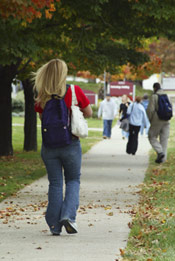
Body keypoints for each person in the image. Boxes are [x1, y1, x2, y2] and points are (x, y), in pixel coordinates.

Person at [33, 58, 92, 235]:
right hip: (71, 144)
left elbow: (42, 118)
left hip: (49, 146)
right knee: (73, 180)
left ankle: (54, 225)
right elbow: (89, 112)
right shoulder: (74, 90)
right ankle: (68, 216)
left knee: (55, 183)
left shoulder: (41, 94)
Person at [147, 82, 170, 163]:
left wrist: (150, 120)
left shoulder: (154, 96)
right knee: (164, 139)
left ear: (154, 88)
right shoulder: (166, 95)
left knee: (151, 136)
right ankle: (162, 160)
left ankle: (160, 152)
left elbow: (150, 110)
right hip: (167, 120)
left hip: (157, 119)